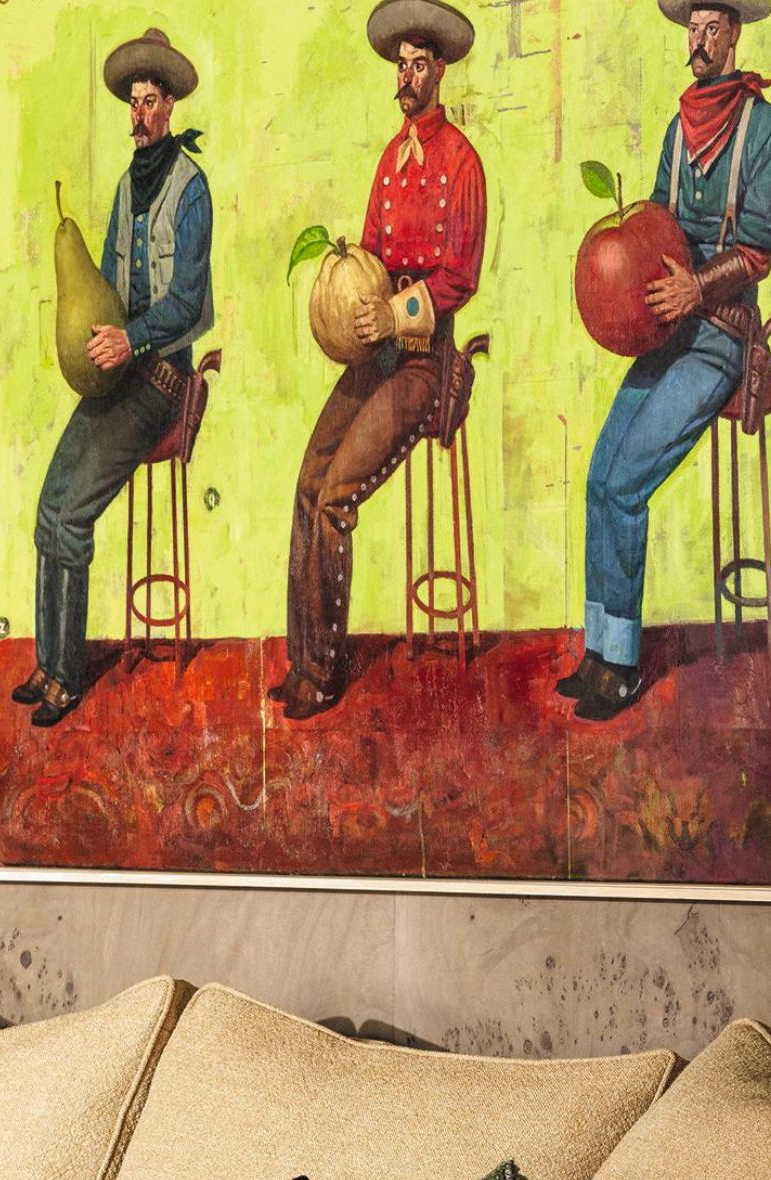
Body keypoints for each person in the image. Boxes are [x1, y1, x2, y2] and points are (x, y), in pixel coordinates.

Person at [566, 0, 771, 722]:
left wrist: (698, 286)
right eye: (690, 27)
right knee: (601, 474)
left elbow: (758, 253)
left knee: (628, 485)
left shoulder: (767, 132)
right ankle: (600, 650)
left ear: (734, 33)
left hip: (721, 336)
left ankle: (623, 668)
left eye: (710, 27)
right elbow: (659, 228)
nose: (697, 40)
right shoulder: (677, 128)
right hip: (668, 332)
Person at [273, 0, 487, 721]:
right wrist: (347, 290)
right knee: (306, 482)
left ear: (441, 71)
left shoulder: (461, 162)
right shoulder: (391, 159)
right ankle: (301, 656)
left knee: (336, 498)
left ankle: (325, 670)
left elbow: (460, 278)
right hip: (375, 356)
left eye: (419, 64)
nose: (407, 76)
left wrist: (397, 312)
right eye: (401, 65)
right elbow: (370, 249)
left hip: (425, 360)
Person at [15, 27, 215, 728]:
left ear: (169, 108)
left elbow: (190, 304)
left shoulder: (192, 189)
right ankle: (46, 660)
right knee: (47, 506)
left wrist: (131, 339)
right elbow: (102, 279)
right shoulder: (129, 184)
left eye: (149, 101)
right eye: (131, 102)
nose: (138, 114)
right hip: (121, 375)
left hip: (161, 382)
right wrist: (93, 334)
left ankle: (68, 678)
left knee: (73, 516)